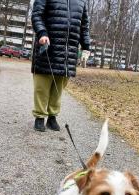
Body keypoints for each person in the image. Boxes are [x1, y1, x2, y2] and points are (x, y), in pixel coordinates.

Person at [30, 0, 90, 132]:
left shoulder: (81, 3)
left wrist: (86, 47)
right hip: (48, 47)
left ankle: (52, 116)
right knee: (42, 86)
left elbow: (84, 27)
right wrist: (42, 32)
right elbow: (36, 15)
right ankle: (40, 116)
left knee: (59, 87)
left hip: (68, 53)